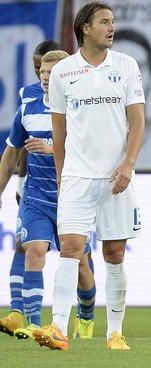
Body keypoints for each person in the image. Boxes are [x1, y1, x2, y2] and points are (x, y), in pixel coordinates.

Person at [31, 1, 145, 351]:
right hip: (78, 178)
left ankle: (115, 332)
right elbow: (59, 133)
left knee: (113, 253)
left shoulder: (126, 66)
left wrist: (128, 164)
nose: (112, 27)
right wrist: (62, 177)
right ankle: (58, 329)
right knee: (71, 248)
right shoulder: (64, 71)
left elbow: (137, 121)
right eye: (105, 22)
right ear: (86, 28)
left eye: (113, 22)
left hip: (116, 178)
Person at [0, 50, 97, 340]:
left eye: (52, 73)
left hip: (73, 197)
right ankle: (33, 324)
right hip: (37, 197)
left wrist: (51, 146)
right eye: (42, 72)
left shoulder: (81, 110)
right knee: (34, 251)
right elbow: (11, 155)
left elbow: (91, 152)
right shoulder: (27, 109)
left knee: (81, 265)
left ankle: (87, 317)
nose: (45, 78)